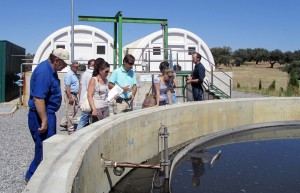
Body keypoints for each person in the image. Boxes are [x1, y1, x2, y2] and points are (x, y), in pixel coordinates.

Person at [25, 48, 70, 182]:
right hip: (42, 114)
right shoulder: (44, 72)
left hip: (47, 113)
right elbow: (39, 99)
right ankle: (33, 177)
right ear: (56, 61)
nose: (65, 66)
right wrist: (44, 120)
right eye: (64, 63)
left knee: (47, 146)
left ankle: (39, 175)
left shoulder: (50, 70)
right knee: (43, 147)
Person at [60, 61, 80, 134]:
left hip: (75, 94)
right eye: (76, 67)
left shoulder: (74, 74)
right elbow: (67, 86)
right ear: (72, 67)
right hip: (70, 94)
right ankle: (70, 128)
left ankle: (64, 122)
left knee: (75, 110)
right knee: (70, 111)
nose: (77, 68)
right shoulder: (69, 75)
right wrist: (70, 97)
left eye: (78, 67)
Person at [76, 59, 96, 130]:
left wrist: (80, 98)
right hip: (87, 99)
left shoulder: (84, 73)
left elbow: (80, 86)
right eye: (93, 65)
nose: (94, 66)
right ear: (89, 65)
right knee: (84, 119)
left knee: (86, 118)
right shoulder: (91, 74)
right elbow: (90, 88)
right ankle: (76, 134)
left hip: (84, 98)